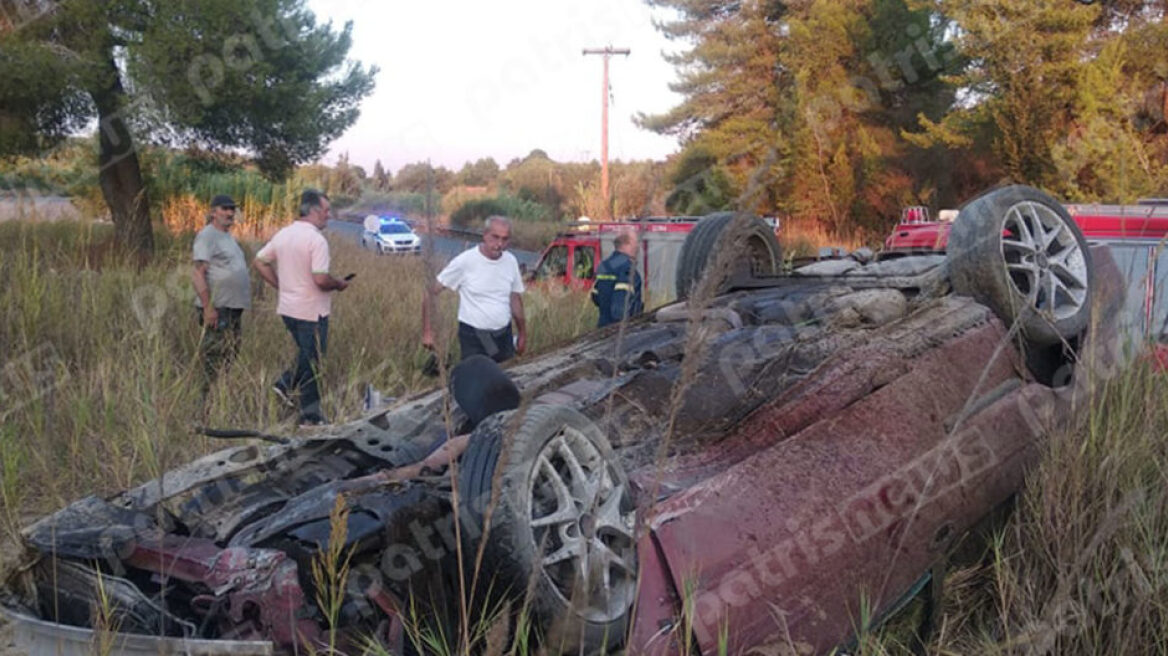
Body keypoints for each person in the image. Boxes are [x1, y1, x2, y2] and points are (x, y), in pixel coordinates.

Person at [253, 190, 350, 427]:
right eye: (326, 211)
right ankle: (310, 416)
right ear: (315, 211)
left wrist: (280, 285)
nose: (329, 216)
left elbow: (260, 261)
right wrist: (338, 284)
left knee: (306, 355)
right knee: (313, 362)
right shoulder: (316, 240)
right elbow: (320, 279)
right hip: (311, 312)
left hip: (288, 310)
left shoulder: (283, 234)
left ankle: (284, 386)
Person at [422, 215, 527, 363]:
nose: (499, 244)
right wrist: (427, 332)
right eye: (495, 237)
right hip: (474, 336)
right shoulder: (465, 261)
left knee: (504, 379)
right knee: (479, 380)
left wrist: (522, 333)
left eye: (505, 239)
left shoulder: (510, 261)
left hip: (503, 334)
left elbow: (515, 299)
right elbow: (430, 293)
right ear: (484, 235)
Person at [191, 194, 250, 392]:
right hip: (218, 309)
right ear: (213, 212)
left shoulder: (227, 237)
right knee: (214, 358)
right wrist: (208, 307)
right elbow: (198, 274)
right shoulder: (207, 236)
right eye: (224, 209)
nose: (230, 213)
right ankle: (204, 404)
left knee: (230, 354)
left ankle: (220, 397)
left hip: (232, 309)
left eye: (232, 209)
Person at [592, 229, 643, 327]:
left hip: (601, 329)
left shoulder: (604, 265)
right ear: (627, 243)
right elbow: (619, 310)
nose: (638, 247)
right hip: (619, 333)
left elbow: (595, 296)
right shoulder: (627, 269)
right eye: (636, 242)